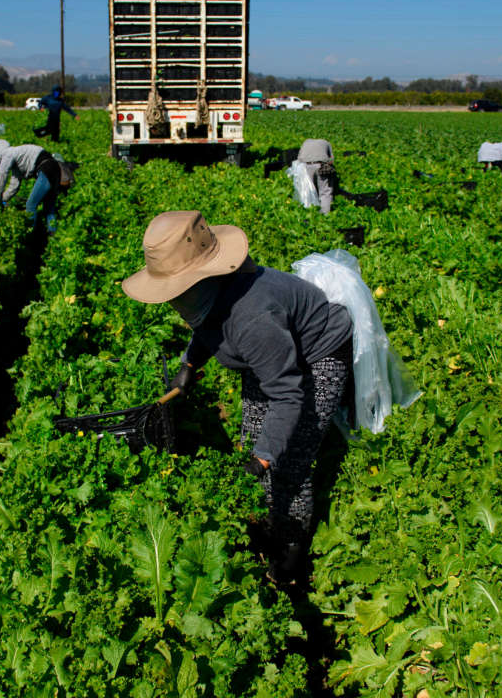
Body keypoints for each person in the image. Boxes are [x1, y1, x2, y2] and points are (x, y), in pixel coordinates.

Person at [122, 211, 354, 584]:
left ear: (203, 278)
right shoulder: (217, 294)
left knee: (289, 460)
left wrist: (263, 460)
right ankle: (264, 516)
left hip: (318, 355)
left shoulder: (252, 319)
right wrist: (191, 363)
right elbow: (211, 325)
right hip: (272, 352)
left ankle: (290, 559)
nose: (173, 300)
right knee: (257, 436)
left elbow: (288, 395)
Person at [0, 140, 75, 232]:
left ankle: (30, 233)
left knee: (30, 205)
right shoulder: (16, 163)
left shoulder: (8, 153)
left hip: (47, 169)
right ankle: (53, 234)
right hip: (53, 169)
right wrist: (3, 199)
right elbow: (14, 186)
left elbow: (2, 174)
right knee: (49, 208)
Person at [298, 138, 338, 214]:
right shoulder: (326, 142)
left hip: (305, 166)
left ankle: (308, 213)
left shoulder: (306, 142)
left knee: (308, 190)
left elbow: (299, 157)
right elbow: (331, 159)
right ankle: (325, 214)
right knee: (325, 191)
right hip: (321, 165)